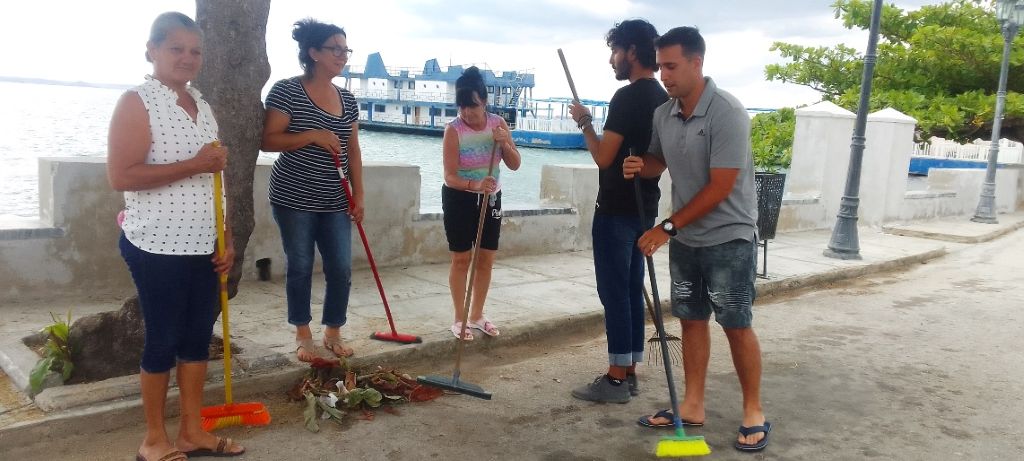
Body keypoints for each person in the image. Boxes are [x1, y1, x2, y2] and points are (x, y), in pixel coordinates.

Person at [623, 26, 772, 452]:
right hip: (688, 240)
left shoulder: (727, 112)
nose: (664, 75)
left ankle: (753, 411)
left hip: (729, 238)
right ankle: (691, 406)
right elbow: (659, 160)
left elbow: (720, 186)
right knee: (690, 319)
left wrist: (666, 228)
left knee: (736, 324)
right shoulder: (663, 113)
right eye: (660, 66)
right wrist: (641, 164)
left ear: (696, 62)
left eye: (671, 66)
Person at [107, 12, 245, 461]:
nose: (187, 58)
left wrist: (225, 236)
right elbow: (121, 175)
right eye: (176, 49)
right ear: (152, 50)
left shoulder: (201, 104)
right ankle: (153, 439)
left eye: (195, 51)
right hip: (155, 244)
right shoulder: (137, 102)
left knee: (195, 339)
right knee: (162, 340)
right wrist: (195, 165)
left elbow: (215, 179)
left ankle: (191, 432)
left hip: (203, 245)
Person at [567, 19, 668, 404]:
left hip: (615, 210)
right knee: (629, 290)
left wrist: (585, 124)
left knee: (615, 293)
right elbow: (659, 158)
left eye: (615, 51)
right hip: (645, 209)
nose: (612, 60)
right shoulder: (662, 97)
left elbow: (604, 157)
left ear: (631, 52)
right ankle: (628, 370)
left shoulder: (626, 98)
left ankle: (613, 380)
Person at [261, 19, 364, 362]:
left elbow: (353, 150)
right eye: (336, 48)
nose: (343, 55)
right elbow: (268, 139)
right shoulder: (287, 91)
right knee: (301, 265)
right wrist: (312, 135)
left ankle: (333, 330)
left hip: (335, 198)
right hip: (293, 198)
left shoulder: (348, 100)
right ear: (314, 52)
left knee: (341, 267)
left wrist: (359, 194)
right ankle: (302, 333)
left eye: (345, 49)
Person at [442, 66, 522, 341]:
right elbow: (449, 176)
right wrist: (475, 185)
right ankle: (459, 318)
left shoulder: (498, 124)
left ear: (484, 102)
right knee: (461, 258)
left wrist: (505, 144)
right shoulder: (453, 131)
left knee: (486, 258)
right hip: (460, 198)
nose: (467, 113)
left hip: (491, 199)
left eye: (472, 107)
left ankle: (477, 315)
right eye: (462, 107)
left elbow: (514, 164)